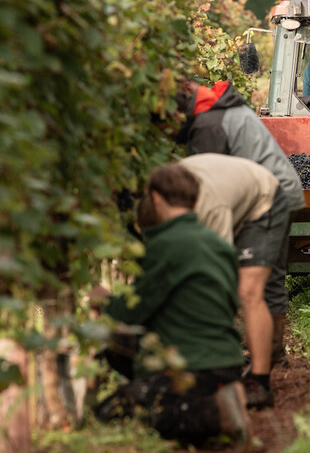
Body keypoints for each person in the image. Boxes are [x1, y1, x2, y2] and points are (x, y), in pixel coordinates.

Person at [91, 163, 251, 452]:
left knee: (111, 414)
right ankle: (211, 407)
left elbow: (130, 312)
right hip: (227, 362)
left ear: (156, 198)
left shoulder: (164, 244)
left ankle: (216, 413)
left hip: (191, 366)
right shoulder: (219, 244)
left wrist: (102, 300)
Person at [175, 80, 305, 399]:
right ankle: (272, 354)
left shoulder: (209, 124)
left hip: (266, 195)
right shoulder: (219, 108)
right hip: (280, 188)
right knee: (269, 279)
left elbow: (210, 186)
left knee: (251, 284)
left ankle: (258, 365)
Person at [142, 153, 289, 409]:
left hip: (263, 199)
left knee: (248, 291)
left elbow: (218, 274)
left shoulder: (210, 210)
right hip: (226, 188)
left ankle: (259, 382)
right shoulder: (161, 200)